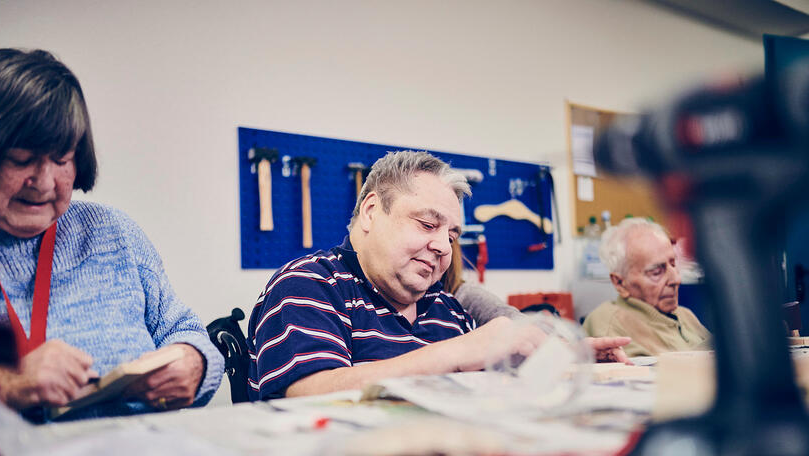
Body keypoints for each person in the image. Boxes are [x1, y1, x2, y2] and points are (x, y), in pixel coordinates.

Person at [246, 150, 630, 401]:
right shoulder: (308, 285)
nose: (446, 248)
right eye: (428, 224)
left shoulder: (444, 307)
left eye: (452, 235)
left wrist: (565, 359)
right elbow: (306, 393)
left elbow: (490, 387)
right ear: (370, 212)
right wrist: (460, 351)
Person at [0, 48, 223, 421]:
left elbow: (185, 330)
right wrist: (4, 385)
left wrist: (194, 362)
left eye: (61, 160)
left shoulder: (113, 232)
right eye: (21, 160)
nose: (43, 183)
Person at [583, 217, 710, 357]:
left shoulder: (685, 314)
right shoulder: (610, 322)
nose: (676, 279)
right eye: (656, 272)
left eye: (673, 264)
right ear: (620, 283)